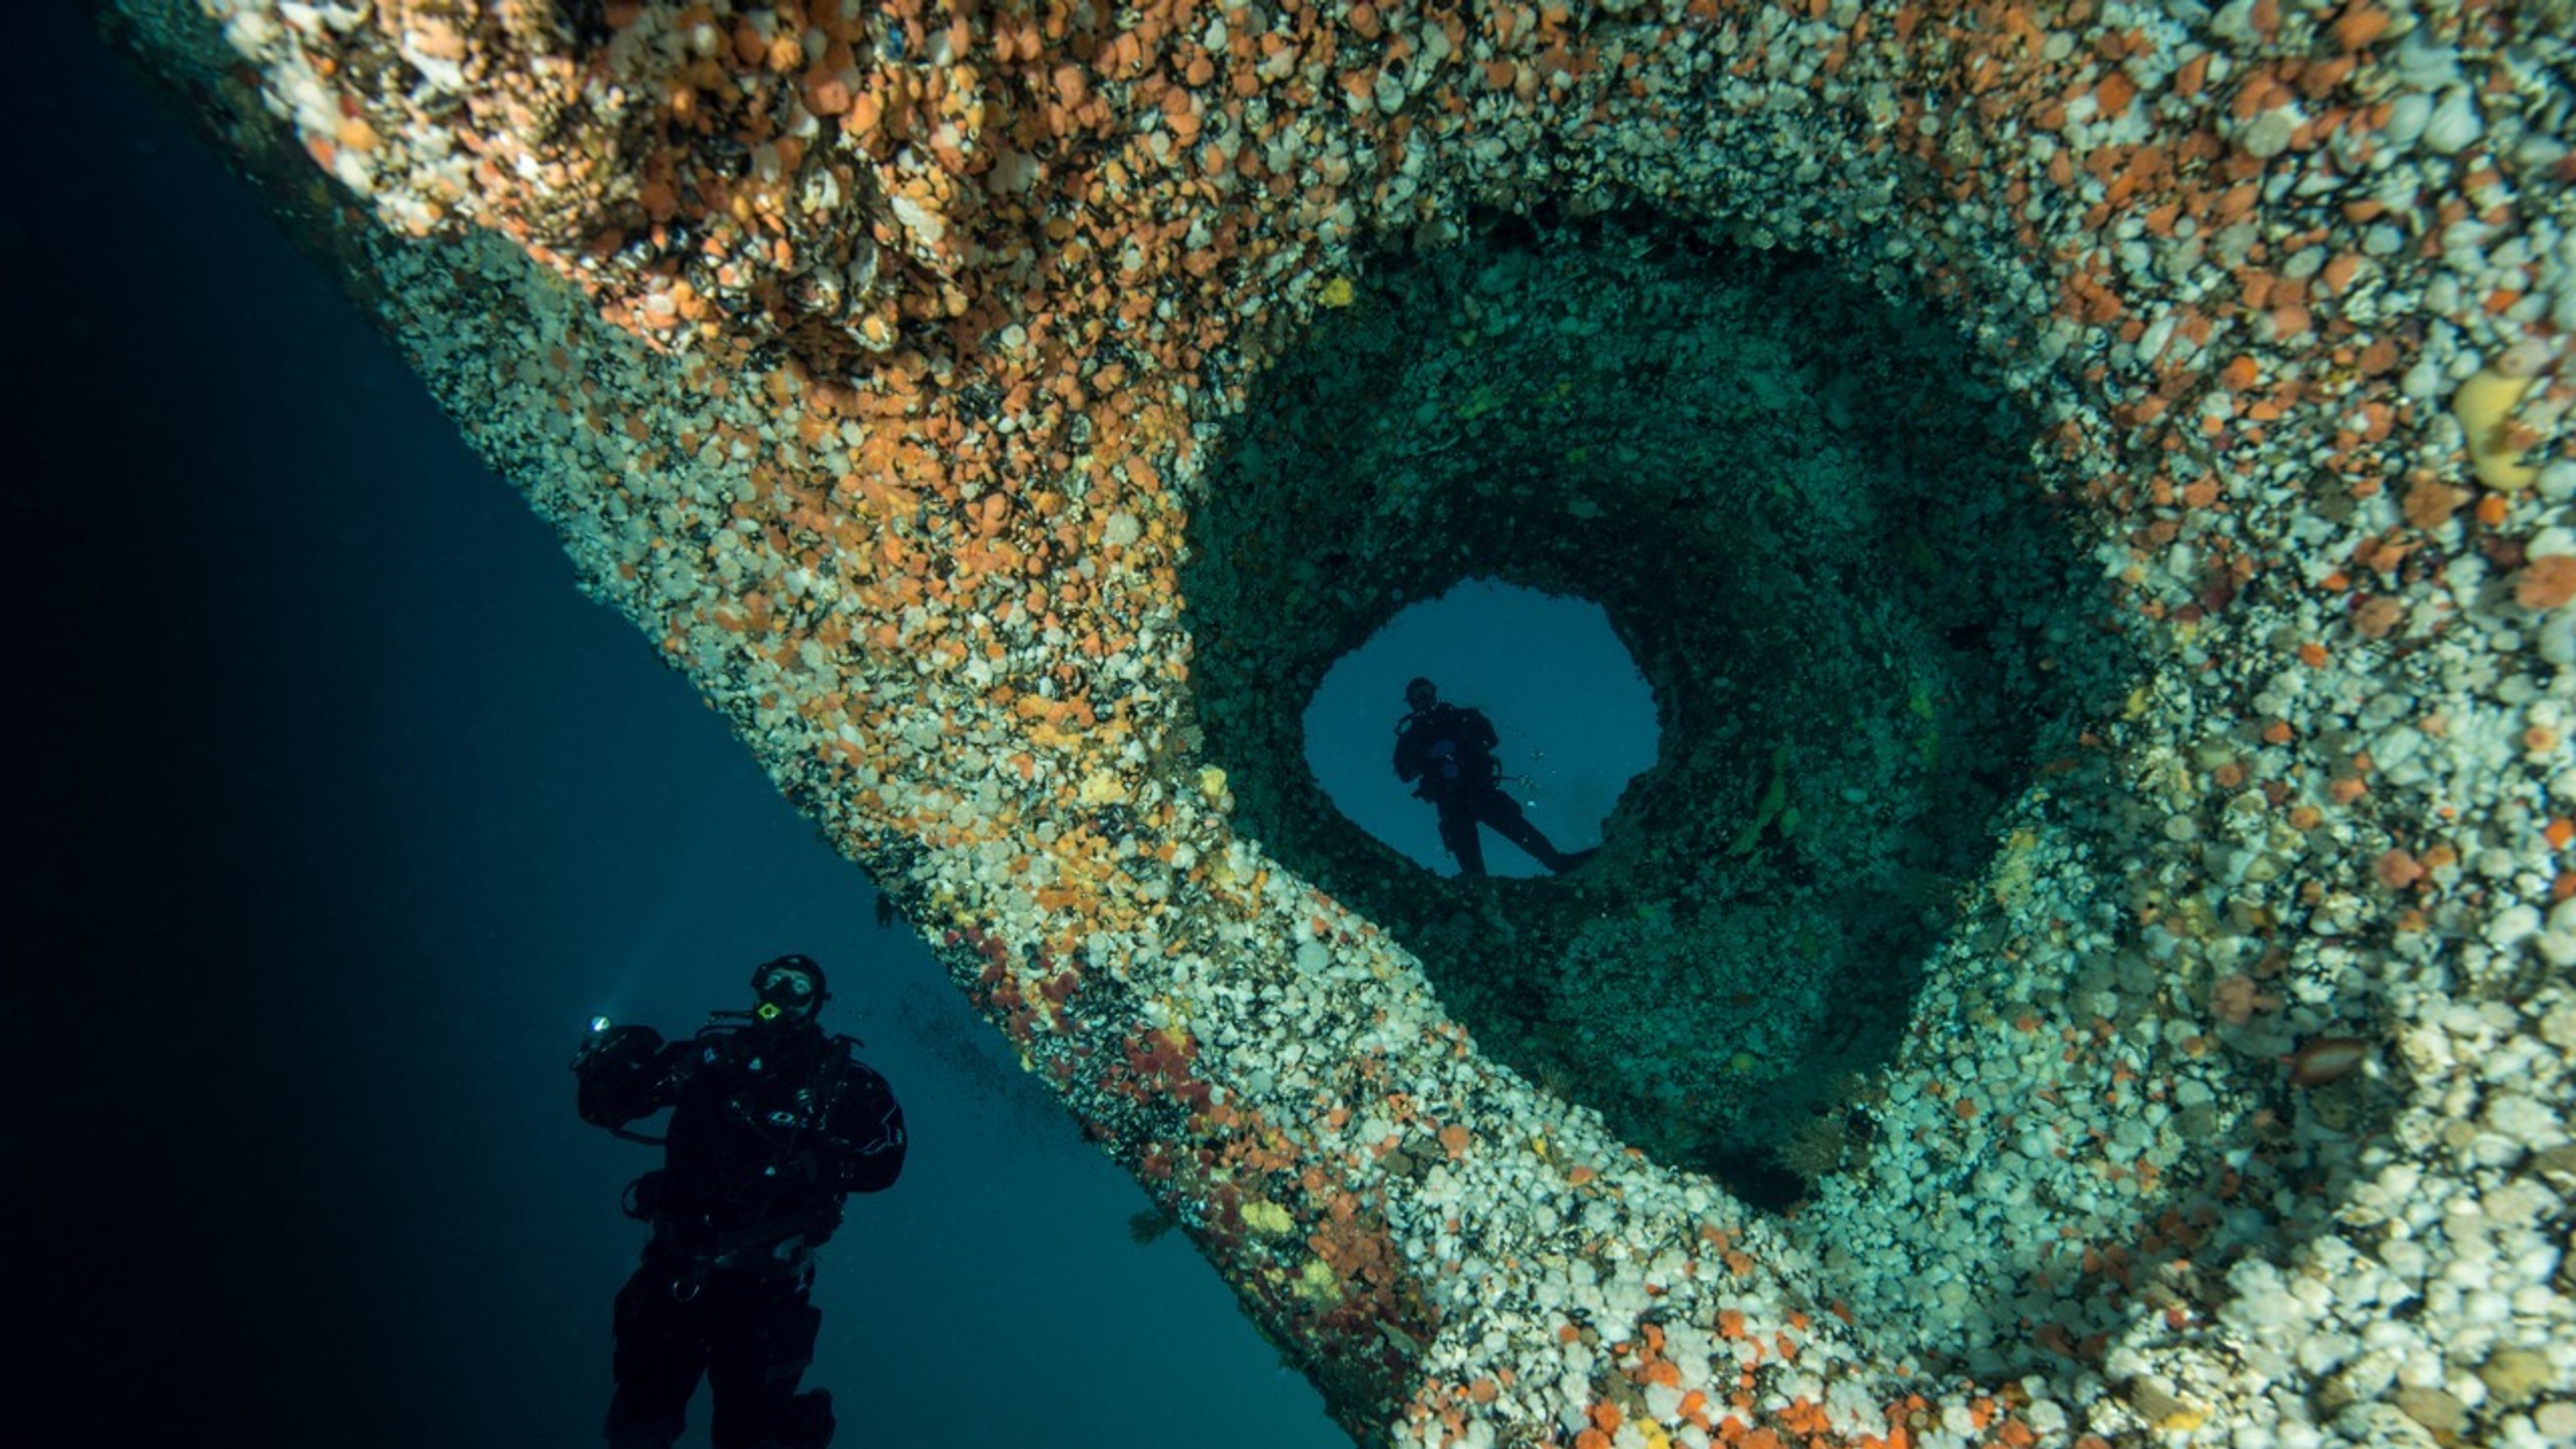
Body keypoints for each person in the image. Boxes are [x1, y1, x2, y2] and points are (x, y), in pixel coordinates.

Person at [573, 955, 907, 1449]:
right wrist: (607, 1059)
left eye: (800, 988)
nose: (785, 996)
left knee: (754, 1436)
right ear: (757, 989)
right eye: (776, 983)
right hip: (674, 1270)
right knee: (640, 1420)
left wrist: (819, 1151)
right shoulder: (705, 1061)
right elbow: (605, 1107)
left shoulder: (841, 1084)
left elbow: (886, 1162)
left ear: (816, 1003)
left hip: (765, 1292)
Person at [1392, 676, 1597, 876]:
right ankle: (1478, 886)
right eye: (1417, 696)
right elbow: (1404, 773)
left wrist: (1461, 748)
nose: (1424, 699)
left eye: (1426, 692)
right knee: (1465, 846)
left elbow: (1491, 738)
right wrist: (1429, 757)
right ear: (1411, 703)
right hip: (1450, 801)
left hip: (1480, 789)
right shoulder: (1411, 738)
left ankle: (1556, 861)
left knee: (1516, 827)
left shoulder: (1461, 716)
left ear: (1435, 693)